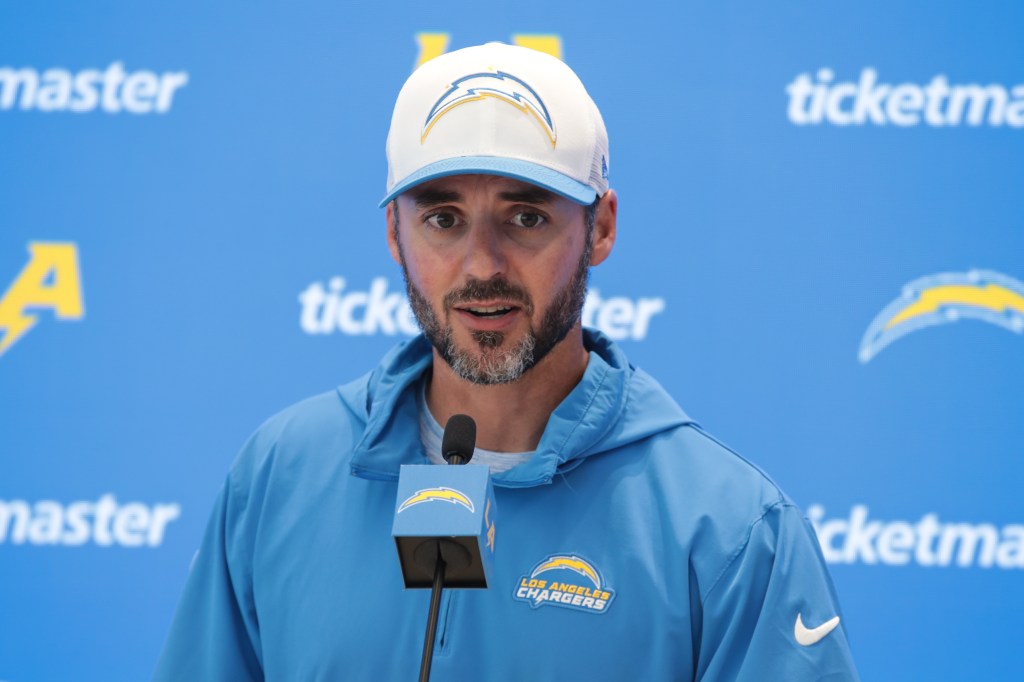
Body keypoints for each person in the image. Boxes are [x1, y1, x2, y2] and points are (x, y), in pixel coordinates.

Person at [155, 42, 859, 681]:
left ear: (601, 227)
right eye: (443, 219)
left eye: (526, 218)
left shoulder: (727, 526)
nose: (481, 265)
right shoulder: (281, 473)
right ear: (394, 234)